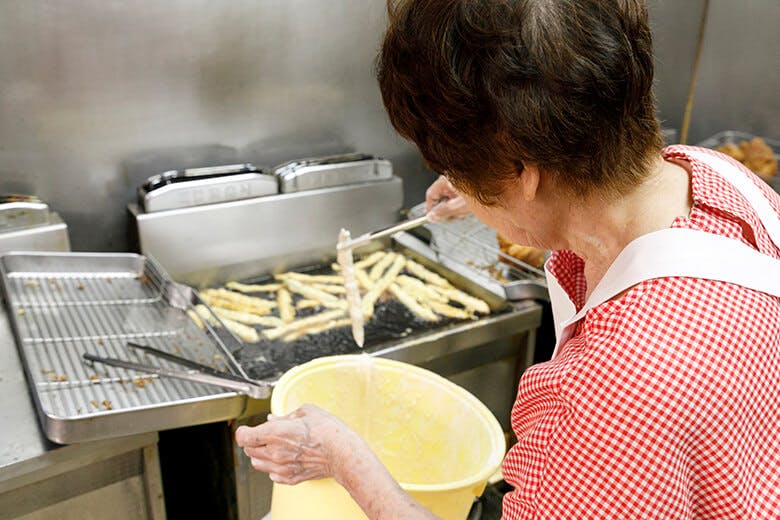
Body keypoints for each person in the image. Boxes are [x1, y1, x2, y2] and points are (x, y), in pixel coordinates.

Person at [236, 1, 780, 518]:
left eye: (464, 171)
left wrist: (342, 458)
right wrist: (494, 191)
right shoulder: (720, 178)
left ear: (525, 173)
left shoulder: (613, 394)